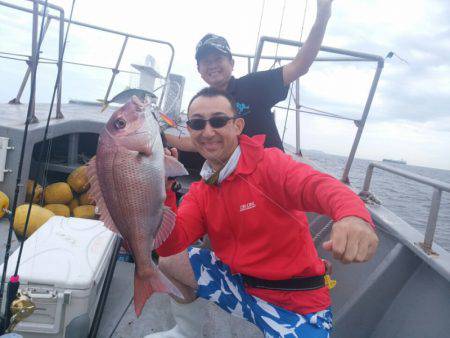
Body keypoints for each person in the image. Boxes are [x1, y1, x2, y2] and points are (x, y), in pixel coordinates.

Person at [145, 88, 379, 337]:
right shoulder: (202, 190)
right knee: (170, 261)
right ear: (190, 130)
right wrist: (164, 187)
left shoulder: (270, 165)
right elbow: (170, 246)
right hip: (237, 285)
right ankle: (186, 331)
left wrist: (353, 216)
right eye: (197, 123)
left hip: (294, 303)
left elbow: (319, 186)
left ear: (238, 126)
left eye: (218, 120)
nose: (208, 131)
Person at [165, 0, 334, 153]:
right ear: (199, 69)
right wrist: (160, 137)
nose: (213, 65)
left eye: (218, 59)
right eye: (206, 62)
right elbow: (199, 142)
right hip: (231, 173)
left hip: (269, 173)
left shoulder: (254, 85)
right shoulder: (202, 104)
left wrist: (323, 15)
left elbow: (299, 66)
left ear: (232, 64)